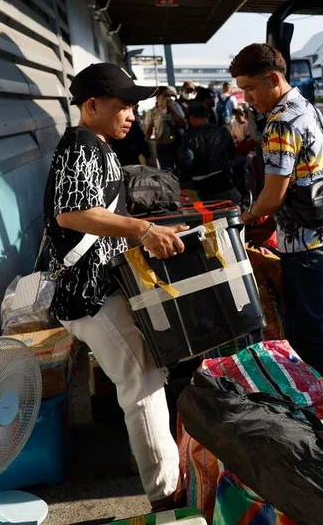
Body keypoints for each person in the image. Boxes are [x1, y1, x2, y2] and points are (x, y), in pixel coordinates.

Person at [45, 63, 187, 508]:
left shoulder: (99, 144)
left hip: (98, 290)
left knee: (142, 381)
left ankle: (147, 460)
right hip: (88, 296)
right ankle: (166, 498)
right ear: (92, 106)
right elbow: (71, 213)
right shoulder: (81, 144)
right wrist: (143, 230)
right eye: (123, 105)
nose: (132, 113)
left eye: (134, 105)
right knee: (142, 385)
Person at [232, 44, 323, 383]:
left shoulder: (280, 123)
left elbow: (273, 196)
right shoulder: (305, 107)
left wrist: (245, 218)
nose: (247, 98)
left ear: (272, 78)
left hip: (304, 243)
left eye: (251, 88)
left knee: (311, 329)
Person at [177, 102, 239, 201]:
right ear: (208, 115)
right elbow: (232, 154)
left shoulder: (188, 137)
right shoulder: (222, 131)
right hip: (223, 181)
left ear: (191, 117)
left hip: (200, 185)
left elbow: (187, 162)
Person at [143, 87, 186, 170]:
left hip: (177, 143)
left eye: (169, 95)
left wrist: (172, 109)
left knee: (181, 169)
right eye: (165, 96)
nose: (168, 98)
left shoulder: (176, 106)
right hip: (162, 145)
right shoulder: (152, 112)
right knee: (167, 169)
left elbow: (183, 124)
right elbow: (147, 133)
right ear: (158, 97)